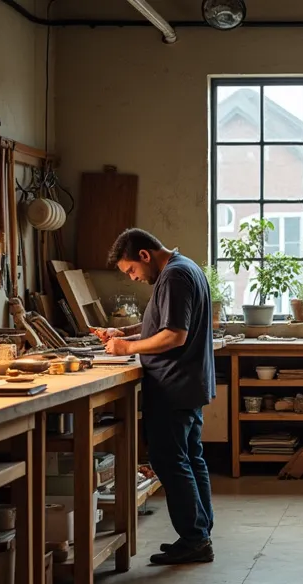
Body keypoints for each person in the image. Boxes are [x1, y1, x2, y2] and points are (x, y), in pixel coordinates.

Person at [97, 229, 216, 565]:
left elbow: (175, 336)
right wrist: (124, 332)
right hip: (186, 384)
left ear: (145, 255)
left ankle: (195, 539)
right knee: (191, 458)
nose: (134, 278)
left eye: (131, 270)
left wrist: (126, 348)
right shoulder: (183, 267)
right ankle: (200, 532)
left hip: (174, 386)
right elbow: (163, 324)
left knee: (171, 461)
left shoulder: (175, 276)